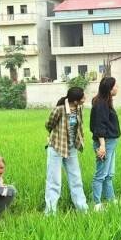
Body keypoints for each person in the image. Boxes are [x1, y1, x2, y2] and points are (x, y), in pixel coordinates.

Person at [44, 87, 88, 215]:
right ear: (75, 101)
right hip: (57, 147)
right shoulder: (60, 110)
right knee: (54, 181)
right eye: (83, 97)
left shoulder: (79, 108)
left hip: (72, 148)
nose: (85, 99)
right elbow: (49, 124)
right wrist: (54, 135)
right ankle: (50, 213)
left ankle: (82, 209)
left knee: (76, 179)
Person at [90, 77, 121, 211]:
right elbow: (99, 126)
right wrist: (102, 146)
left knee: (109, 175)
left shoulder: (105, 102)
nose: (117, 88)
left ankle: (111, 199)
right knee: (101, 175)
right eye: (115, 86)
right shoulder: (101, 103)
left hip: (110, 142)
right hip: (105, 143)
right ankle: (96, 204)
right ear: (109, 88)